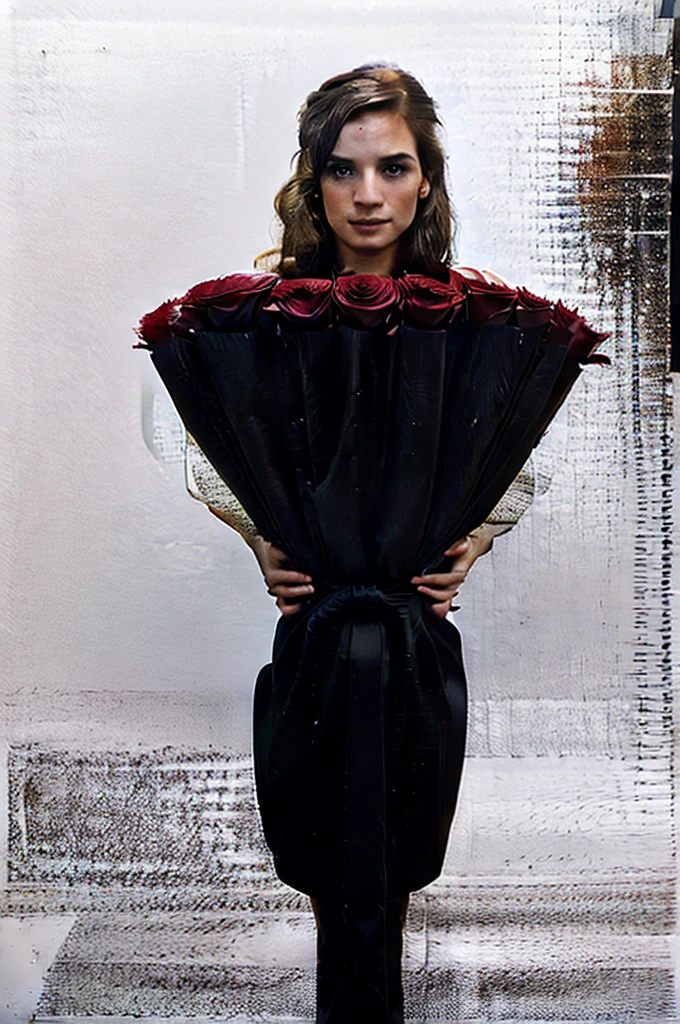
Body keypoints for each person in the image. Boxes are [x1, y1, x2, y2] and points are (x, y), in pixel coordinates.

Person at [183, 64, 537, 1023]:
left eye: (393, 167)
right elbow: (196, 431)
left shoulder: (471, 314)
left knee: (396, 848)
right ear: (313, 180)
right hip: (322, 626)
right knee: (322, 842)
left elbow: (515, 447)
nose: (368, 195)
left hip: (412, 632)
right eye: (343, 171)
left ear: (427, 178)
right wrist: (259, 537)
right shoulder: (261, 314)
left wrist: (477, 538)